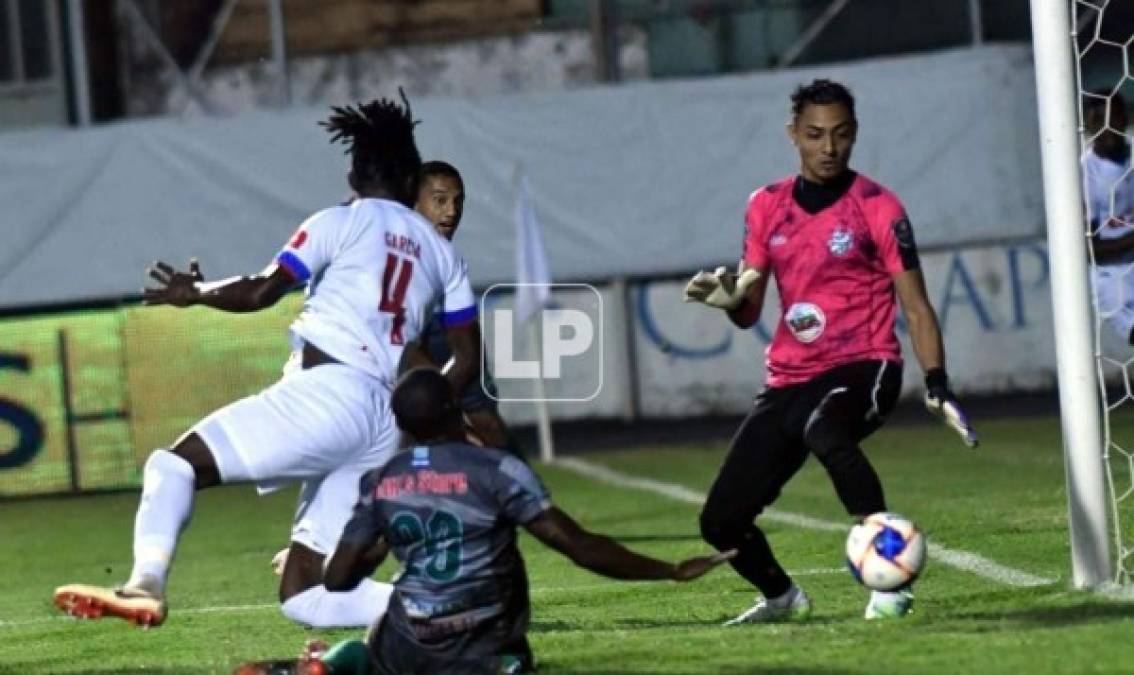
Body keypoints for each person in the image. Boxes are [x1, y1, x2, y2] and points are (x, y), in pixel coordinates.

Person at [53, 94, 481, 630]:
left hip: (328, 393)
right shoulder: (444, 255)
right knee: (305, 594)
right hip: (384, 421)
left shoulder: (338, 221)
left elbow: (261, 292)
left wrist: (198, 292)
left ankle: (145, 584)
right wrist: (424, 425)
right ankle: (446, 609)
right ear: (412, 178)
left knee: (172, 465)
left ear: (354, 172)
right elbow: (466, 360)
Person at [684, 79, 977, 623]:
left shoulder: (879, 207)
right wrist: (730, 302)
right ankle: (782, 599)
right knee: (720, 521)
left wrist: (937, 382)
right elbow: (749, 309)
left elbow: (915, 305)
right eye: (815, 134)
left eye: (840, 134)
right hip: (790, 378)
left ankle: (889, 581)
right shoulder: (766, 206)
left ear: (855, 134)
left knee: (825, 428)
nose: (829, 147)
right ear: (793, 135)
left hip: (865, 365)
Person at [235, 368, 733, 674]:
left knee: (371, 652)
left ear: (403, 426)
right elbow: (577, 545)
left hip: (410, 639)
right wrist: (667, 570)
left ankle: (328, 667)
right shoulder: (496, 469)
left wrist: (381, 542)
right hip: (485, 636)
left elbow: (340, 580)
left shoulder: (380, 482)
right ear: (457, 412)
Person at [409, 161, 518, 454]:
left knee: (490, 433)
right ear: (415, 202)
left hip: (450, 354)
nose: (452, 211)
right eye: (440, 200)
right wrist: (439, 406)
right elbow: (405, 347)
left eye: (458, 201)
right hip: (411, 363)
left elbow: (468, 351)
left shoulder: (448, 257)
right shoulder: (402, 255)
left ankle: (518, 490)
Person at [1083, 92, 1134, 344]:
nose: (1108, 128)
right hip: (1112, 277)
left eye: (1113, 119)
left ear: (1125, 118)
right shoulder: (1083, 174)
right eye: (1100, 121)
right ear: (1089, 125)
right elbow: (1088, 249)